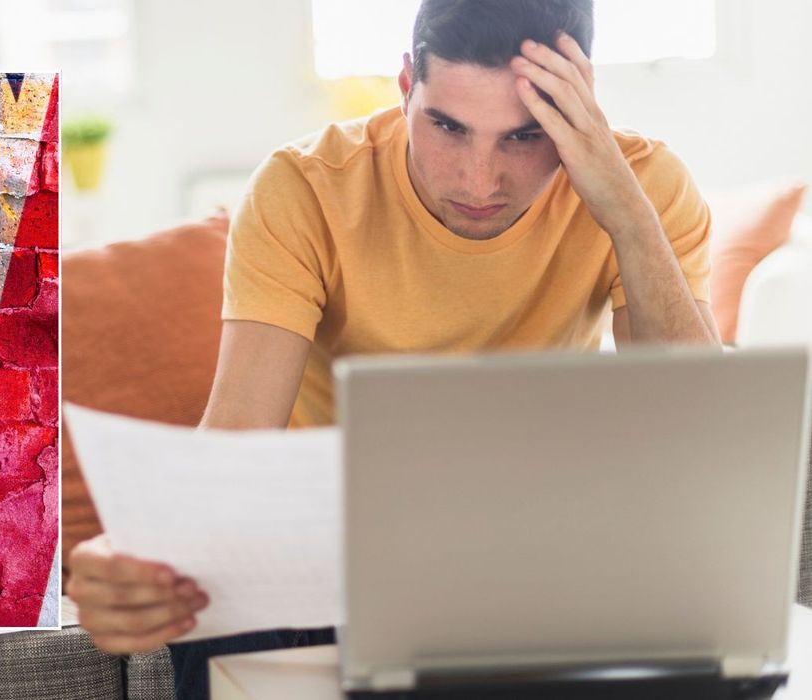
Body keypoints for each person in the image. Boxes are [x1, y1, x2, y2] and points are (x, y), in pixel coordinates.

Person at [67, 0, 721, 696]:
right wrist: (127, 554)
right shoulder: (305, 186)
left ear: (579, 111)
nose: (478, 181)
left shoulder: (641, 189)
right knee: (228, 625)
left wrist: (623, 211)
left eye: (525, 137)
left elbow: (699, 436)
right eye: (447, 126)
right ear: (405, 84)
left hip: (528, 545)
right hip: (324, 557)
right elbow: (233, 444)